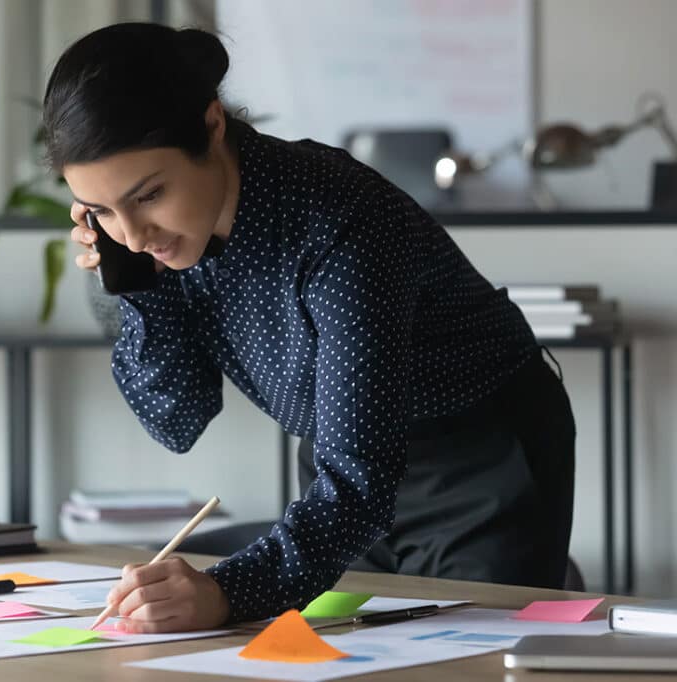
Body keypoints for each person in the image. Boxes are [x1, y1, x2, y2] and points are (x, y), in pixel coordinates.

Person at [42, 22, 576, 633]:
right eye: (102, 211)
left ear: (212, 126)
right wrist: (136, 284)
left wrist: (223, 592)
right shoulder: (154, 245)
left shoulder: (341, 218)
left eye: (148, 195)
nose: (135, 235)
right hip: (341, 473)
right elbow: (176, 419)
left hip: (478, 459)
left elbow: (359, 486)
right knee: (336, 660)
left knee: (463, 661)